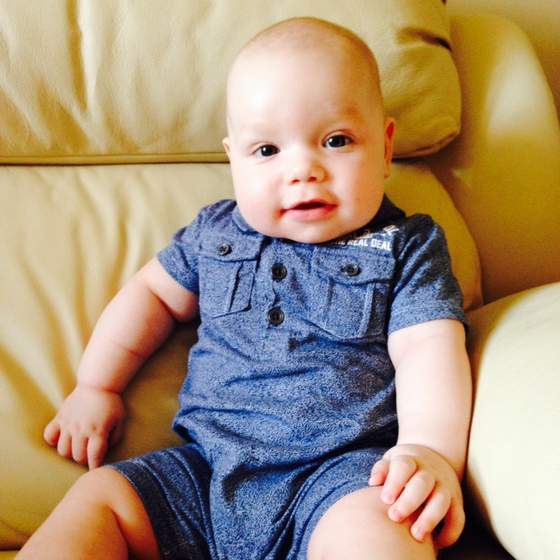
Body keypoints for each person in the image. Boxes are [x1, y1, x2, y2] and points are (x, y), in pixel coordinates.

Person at [18, 16, 472, 560]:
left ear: (385, 147)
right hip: (202, 476)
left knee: (384, 525)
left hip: (339, 478)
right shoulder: (214, 234)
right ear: (233, 159)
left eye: (336, 141)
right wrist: (97, 386)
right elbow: (151, 296)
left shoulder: (406, 244)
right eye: (267, 151)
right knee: (101, 497)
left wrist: (429, 450)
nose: (303, 169)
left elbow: (428, 347)